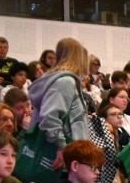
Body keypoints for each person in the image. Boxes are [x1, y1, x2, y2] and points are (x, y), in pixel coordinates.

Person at [26, 38, 91, 170]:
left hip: (71, 153)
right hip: (62, 156)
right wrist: (62, 147)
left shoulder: (62, 81)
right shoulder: (65, 82)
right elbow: (49, 117)